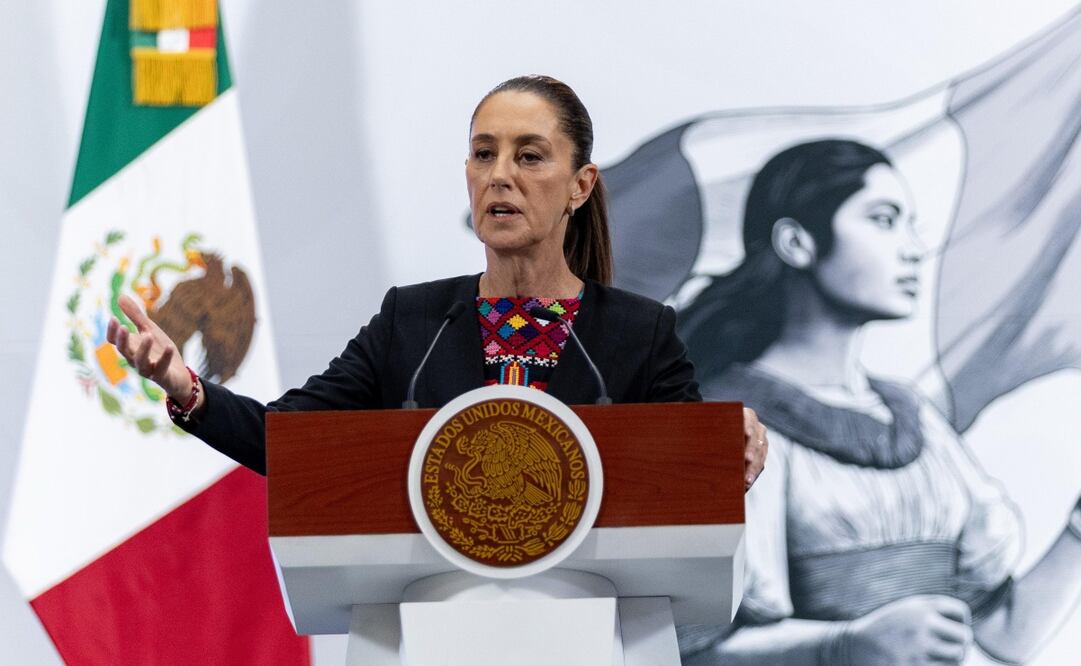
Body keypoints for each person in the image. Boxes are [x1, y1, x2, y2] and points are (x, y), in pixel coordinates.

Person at [106, 74, 768, 486]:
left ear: (579, 186)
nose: (498, 174)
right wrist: (186, 387)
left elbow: (693, 472)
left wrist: (733, 451)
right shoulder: (411, 323)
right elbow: (292, 442)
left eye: (528, 156)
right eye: (484, 154)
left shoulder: (638, 333)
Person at [675, 139, 1081, 664]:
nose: (913, 248)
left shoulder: (916, 420)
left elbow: (1004, 632)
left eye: (911, 223)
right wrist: (845, 645)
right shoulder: (725, 421)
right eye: (884, 220)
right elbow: (689, 650)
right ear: (797, 242)